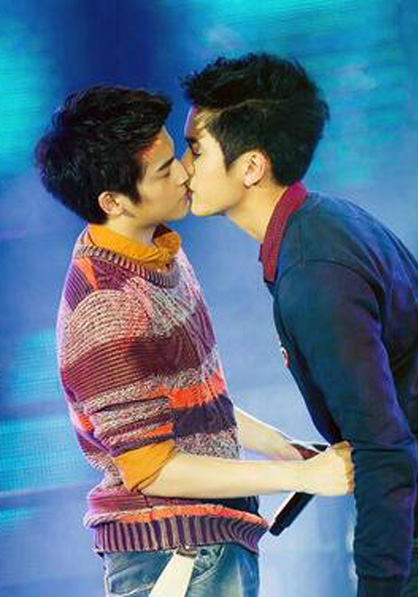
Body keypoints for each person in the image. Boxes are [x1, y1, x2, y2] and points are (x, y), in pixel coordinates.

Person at [181, 53, 418, 597]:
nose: (184, 168)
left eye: (195, 150)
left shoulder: (313, 270)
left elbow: (385, 448)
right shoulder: (324, 224)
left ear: (251, 166)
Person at [35, 85, 353, 597]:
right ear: (112, 201)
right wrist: (306, 478)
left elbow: (195, 403)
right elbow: (153, 470)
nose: (184, 172)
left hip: (204, 547)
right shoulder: (106, 306)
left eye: (176, 156)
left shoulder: (156, 252)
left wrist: (284, 449)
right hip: (172, 556)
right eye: (164, 171)